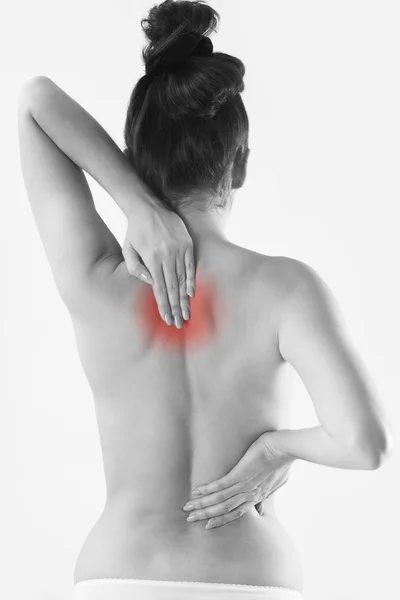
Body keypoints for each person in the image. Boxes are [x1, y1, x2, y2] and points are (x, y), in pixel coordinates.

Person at [17, 1, 392, 599]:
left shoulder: (97, 277)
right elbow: (363, 444)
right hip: (252, 580)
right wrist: (276, 447)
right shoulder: (286, 287)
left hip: (117, 575)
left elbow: (36, 101)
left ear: (137, 161)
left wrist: (133, 203)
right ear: (238, 164)